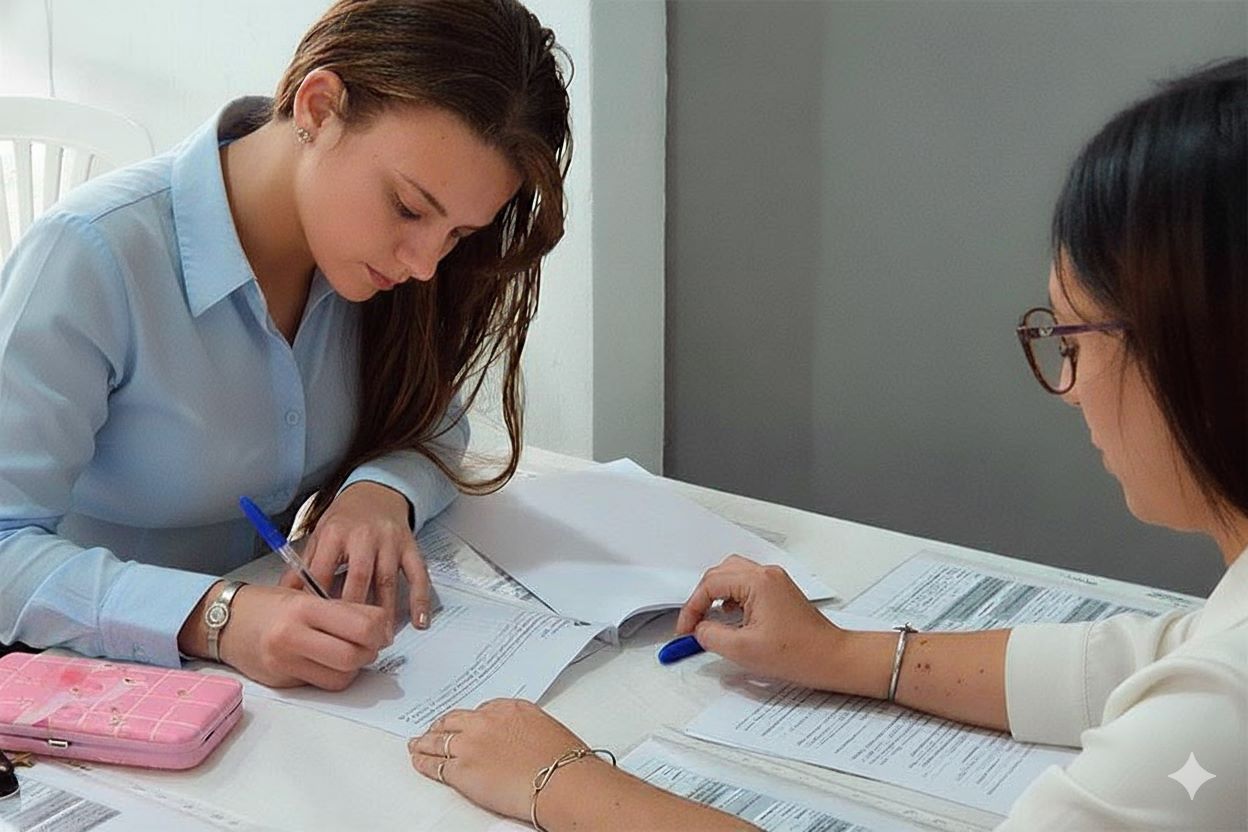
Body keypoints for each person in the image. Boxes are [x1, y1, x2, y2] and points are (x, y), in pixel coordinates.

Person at [408, 58, 1247, 830]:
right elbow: (1143, 661)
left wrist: (564, 784)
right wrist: (841, 654)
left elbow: (1192, 695)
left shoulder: (1222, 715)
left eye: (1072, 339)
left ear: (1200, 349)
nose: (1067, 386)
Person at [0, 0, 571, 691]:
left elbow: (434, 422)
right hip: (81, 687)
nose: (425, 263)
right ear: (318, 108)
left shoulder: (375, 275)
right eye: (409, 208)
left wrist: (380, 491)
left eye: (457, 234)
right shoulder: (91, 256)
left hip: (266, 695)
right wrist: (214, 616)